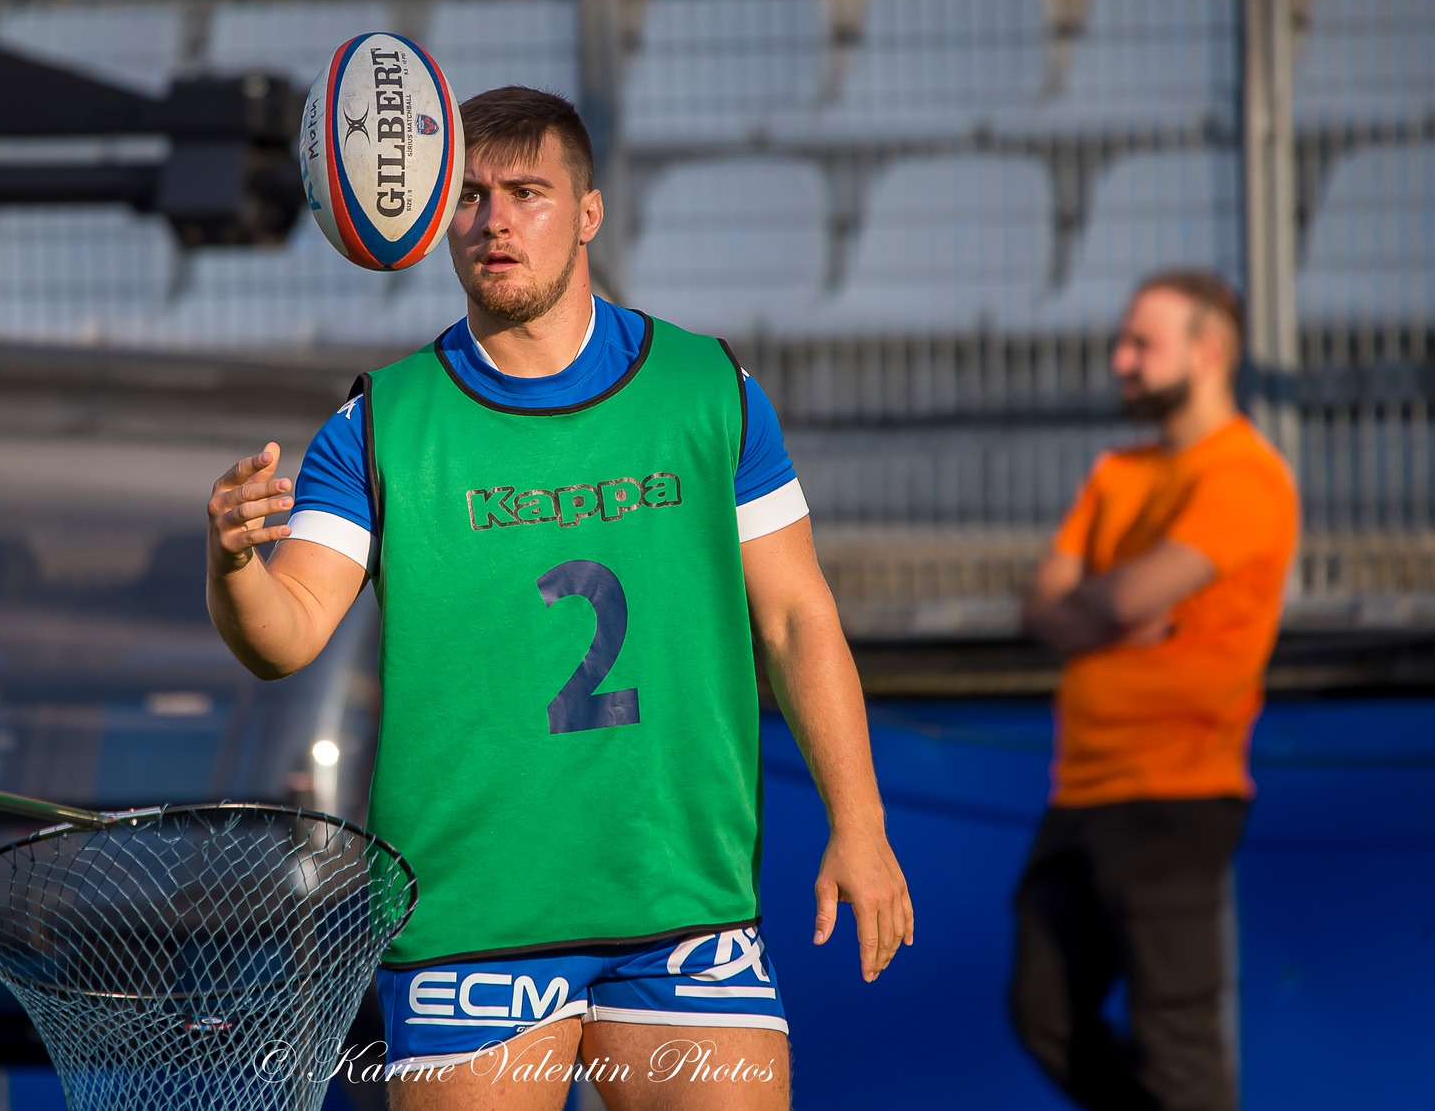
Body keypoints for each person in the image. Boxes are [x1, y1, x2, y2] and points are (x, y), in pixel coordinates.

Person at [206, 87, 911, 1109]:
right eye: (472, 197)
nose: (495, 222)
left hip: (682, 907)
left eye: (527, 193)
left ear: (586, 212)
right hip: (466, 923)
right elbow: (284, 634)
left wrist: (860, 820)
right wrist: (232, 562)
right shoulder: (377, 424)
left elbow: (796, 618)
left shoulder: (706, 389)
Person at [1011, 270, 1300, 1111]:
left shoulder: (1245, 474)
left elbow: (1116, 599)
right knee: (1041, 1012)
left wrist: (1105, 607)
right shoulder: (1116, 472)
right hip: (1081, 795)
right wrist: (1105, 613)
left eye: (1143, 344)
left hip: (1176, 799)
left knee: (1178, 1042)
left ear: (1209, 353)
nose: (1121, 359)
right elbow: (1045, 606)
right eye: (1124, 341)